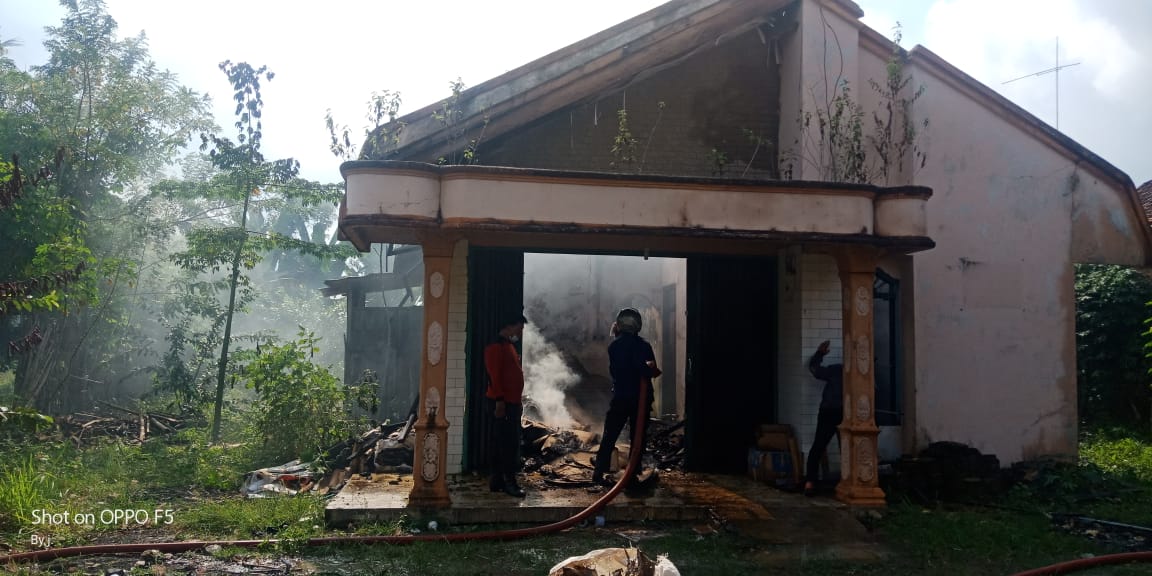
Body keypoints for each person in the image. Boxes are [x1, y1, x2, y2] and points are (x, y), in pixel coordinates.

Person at [592, 308, 660, 489]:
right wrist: (649, 368)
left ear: (620, 324)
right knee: (638, 437)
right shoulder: (644, 346)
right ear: (638, 325)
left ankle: (599, 472)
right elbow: (650, 371)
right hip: (641, 399)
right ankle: (633, 472)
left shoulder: (614, 346)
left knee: (610, 434)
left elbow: (616, 370)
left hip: (621, 396)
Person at [484, 313, 529, 498]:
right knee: (507, 444)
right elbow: (494, 376)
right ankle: (509, 483)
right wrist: (500, 401)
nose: (520, 332)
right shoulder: (496, 346)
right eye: (519, 328)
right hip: (502, 403)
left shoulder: (508, 345)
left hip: (510, 402)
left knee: (501, 442)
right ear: (510, 326)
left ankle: (497, 481)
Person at [805, 339, 843, 496]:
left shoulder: (836, 370)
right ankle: (846, 481)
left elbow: (815, 370)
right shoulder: (843, 372)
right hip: (841, 412)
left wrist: (819, 354)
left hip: (829, 411)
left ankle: (810, 482)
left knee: (819, 446)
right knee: (846, 449)